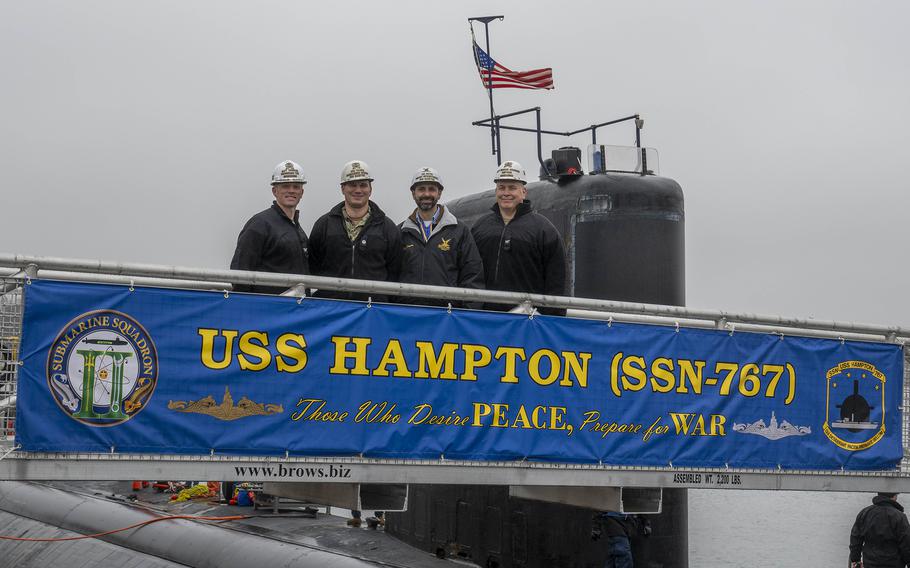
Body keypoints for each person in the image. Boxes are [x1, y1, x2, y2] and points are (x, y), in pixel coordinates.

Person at [470, 160, 567, 316]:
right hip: (486, 318)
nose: (506, 193)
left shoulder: (543, 230)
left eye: (512, 188)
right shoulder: (480, 227)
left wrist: (552, 319)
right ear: (496, 191)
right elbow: (469, 272)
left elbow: (556, 280)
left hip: (527, 319)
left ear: (523, 191)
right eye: (501, 188)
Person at [308, 160, 402, 302]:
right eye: (352, 185)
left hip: (372, 312)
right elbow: (313, 267)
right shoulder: (324, 225)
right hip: (331, 309)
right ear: (342, 188)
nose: (358, 190)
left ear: (370, 189)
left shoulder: (387, 228)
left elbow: (394, 272)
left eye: (363, 185)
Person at [398, 166, 484, 307]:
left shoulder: (459, 231)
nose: (426, 194)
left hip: (446, 317)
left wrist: (468, 315)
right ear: (413, 193)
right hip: (408, 314)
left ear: (439, 193)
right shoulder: (401, 232)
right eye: (421, 189)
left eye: (432, 189)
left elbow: (472, 275)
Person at [230, 160, 309, 294]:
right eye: (285, 186)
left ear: (302, 192)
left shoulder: (298, 230)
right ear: (274, 191)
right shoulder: (260, 224)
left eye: (296, 186)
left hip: (294, 308)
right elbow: (240, 272)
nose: (291, 190)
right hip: (267, 308)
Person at [850, 492, 910, 568]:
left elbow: (855, 539)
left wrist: (855, 559)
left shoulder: (864, 513)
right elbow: (906, 544)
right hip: (894, 563)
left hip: (870, 563)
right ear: (895, 496)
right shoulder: (899, 516)